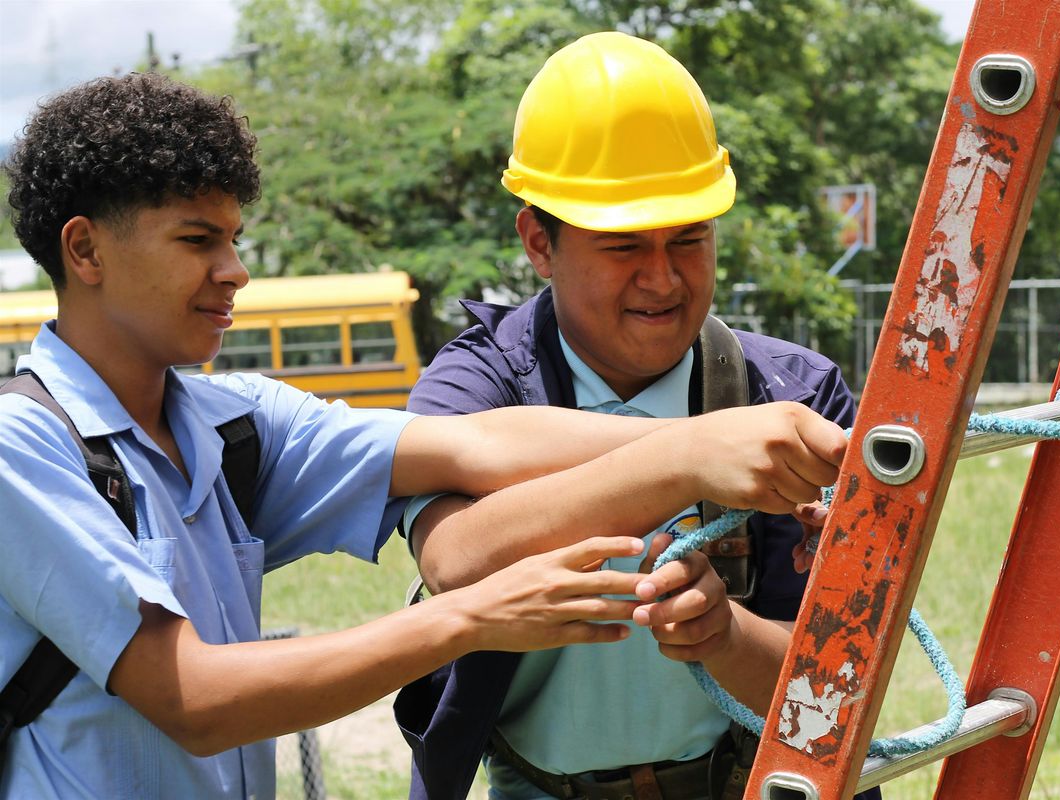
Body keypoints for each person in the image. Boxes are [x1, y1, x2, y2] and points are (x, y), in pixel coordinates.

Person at [0, 74, 849, 799]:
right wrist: (473, 618)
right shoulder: (22, 446)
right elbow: (195, 699)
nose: (236, 270)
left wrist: (712, 440)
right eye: (198, 241)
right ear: (86, 250)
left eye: (234, 239)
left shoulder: (232, 422)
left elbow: (477, 447)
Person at [396, 31, 879, 800]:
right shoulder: (481, 384)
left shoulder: (790, 392)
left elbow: (834, 688)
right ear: (538, 243)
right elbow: (453, 561)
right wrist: (688, 456)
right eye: (622, 245)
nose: (663, 278)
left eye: (690, 239)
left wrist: (725, 636)